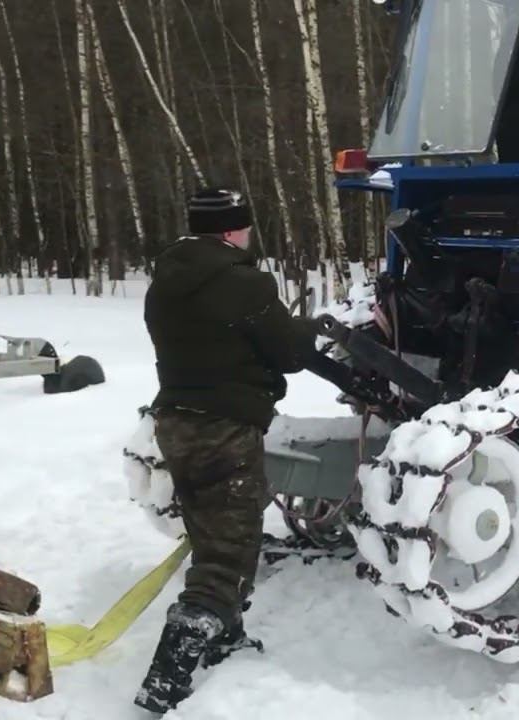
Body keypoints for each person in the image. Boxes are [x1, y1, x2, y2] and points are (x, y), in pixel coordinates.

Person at [134, 187, 321, 713]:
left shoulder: (166, 281)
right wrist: (312, 328)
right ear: (232, 230)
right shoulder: (245, 284)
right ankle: (164, 682)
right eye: (245, 227)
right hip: (225, 430)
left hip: (175, 424)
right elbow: (288, 352)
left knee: (211, 536)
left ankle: (225, 636)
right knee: (228, 556)